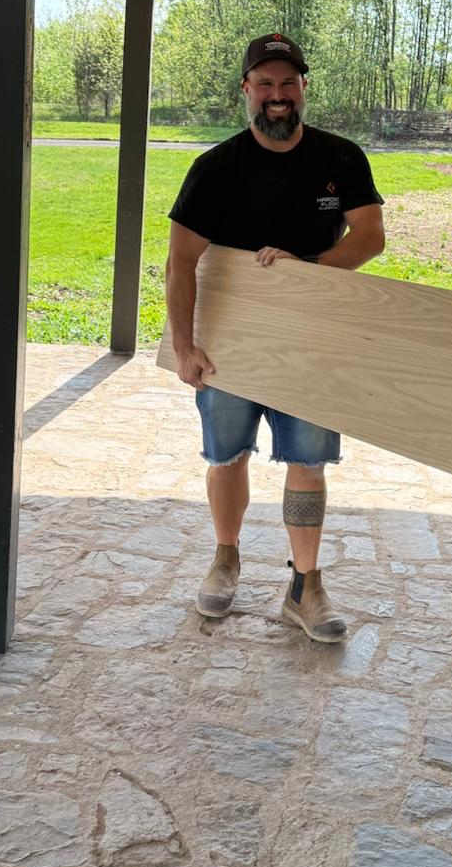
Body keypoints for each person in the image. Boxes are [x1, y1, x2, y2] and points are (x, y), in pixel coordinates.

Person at [165, 32, 385, 643]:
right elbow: (181, 262)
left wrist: (304, 270)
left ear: (303, 88)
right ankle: (225, 559)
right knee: (226, 456)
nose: (278, 94)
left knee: (308, 462)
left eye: (288, 82)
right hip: (229, 341)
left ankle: (304, 587)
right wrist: (185, 347)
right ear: (247, 89)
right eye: (265, 83)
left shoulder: (341, 158)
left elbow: (370, 237)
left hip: (311, 339)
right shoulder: (216, 168)